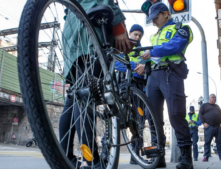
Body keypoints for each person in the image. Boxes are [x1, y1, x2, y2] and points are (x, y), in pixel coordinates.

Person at [59, 0, 131, 168]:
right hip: (91, 22)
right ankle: (91, 161)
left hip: (72, 28)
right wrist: (119, 27)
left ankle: (65, 157)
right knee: (85, 94)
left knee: (75, 96)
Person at [140, 2, 194, 169]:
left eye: (156, 18)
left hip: (171, 74)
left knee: (176, 114)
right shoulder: (154, 35)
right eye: (152, 19)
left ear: (166, 14)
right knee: (152, 116)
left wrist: (153, 52)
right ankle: (158, 156)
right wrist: (144, 63)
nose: (154, 22)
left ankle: (186, 157)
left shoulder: (182, 28)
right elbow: (151, 56)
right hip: (153, 76)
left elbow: (176, 46)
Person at [114, 24, 147, 165]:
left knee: (139, 121)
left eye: (140, 35)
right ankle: (106, 152)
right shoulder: (121, 47)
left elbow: (146, 66)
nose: (138, 37)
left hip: (139, 88)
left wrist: (142, 66)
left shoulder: (143, 51)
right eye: (135, 34)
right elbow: (116, 64)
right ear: (129, 34)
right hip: (122, 86)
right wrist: (135, 66)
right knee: (116, 117)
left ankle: (136, 153)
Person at [199, 94, 221, 162]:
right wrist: (204, 122)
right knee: (207, 142)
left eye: (215, 97)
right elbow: (200, 115)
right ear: (209, 98)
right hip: (209, 127)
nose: (214, 98)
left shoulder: (217, 106)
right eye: (213, 97)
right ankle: (206, 156)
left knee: (219, 142)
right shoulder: (204, 106)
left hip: (217, 126)